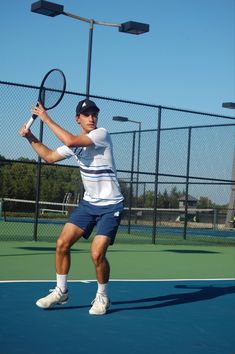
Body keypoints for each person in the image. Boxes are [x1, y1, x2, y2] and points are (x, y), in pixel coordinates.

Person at [19, 98, 124, 315]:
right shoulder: (74, 144)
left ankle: (102, 296)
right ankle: (61, 291)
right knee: (62, 243)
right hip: (88, 204)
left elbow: (71, 140)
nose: (92, 118)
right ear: (78, 118)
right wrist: (30, 137)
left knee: (96, 254)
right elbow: (48, 156)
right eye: (87, 115)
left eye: (94, 114)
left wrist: (46, 118)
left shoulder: (101, 134)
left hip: (110, 205)